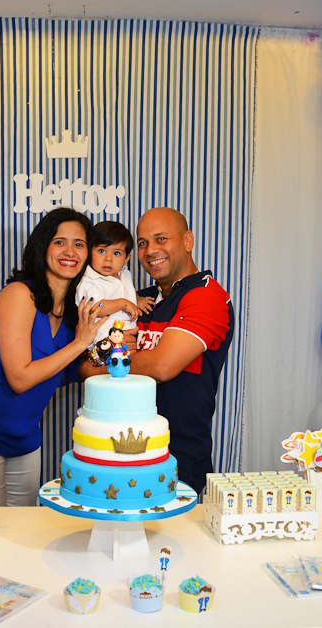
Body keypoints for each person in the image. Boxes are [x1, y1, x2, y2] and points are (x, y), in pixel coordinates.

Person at [0, 208, 101, 507]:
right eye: (59, 242)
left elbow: (68, 372)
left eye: (79, 244)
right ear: (42, 248)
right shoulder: (18, 294)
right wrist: (81, 342)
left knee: (22, 529)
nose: (70, 251)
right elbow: (20, 377)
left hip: (25, 439)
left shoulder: (74, 311)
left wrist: (115, 354)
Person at [80, 207, 234, 495]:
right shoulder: (139, 300)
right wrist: (103, 355)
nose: (151, 250)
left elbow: (162, 367)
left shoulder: (207, 295)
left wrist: (106, 360)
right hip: (117, 450)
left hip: (175, 456)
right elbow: (85, 363)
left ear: (187, 241)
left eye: (161, 239)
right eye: (142, 243)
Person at [74, 220, 155, 343]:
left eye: (116, 253)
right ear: (90, 252)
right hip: (104, 338)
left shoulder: (125, 274)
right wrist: (124, 303)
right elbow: (97, 308)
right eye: (102, 251)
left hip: (129, 334)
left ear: (126, 258)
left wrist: (135, 299)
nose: (108, 259)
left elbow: (125, 290)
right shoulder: (89, 282)